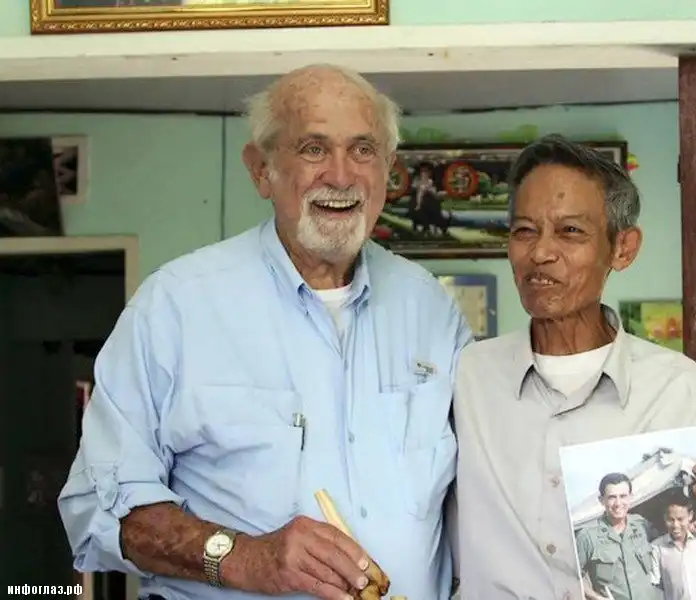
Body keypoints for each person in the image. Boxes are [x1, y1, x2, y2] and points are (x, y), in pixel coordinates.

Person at [58, 64, 471, 600]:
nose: (341, 175)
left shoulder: (431, 307)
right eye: (314, 149)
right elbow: (98, 510)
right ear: (261, 170)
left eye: (362, 150)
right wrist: (244, 556)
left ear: (388, 170)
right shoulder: (176, 305)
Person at [452, 134, 696, 600]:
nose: (540, 253)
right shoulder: (467, 378)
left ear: (623, 248)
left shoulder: (681, 391)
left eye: (570, 232)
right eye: (524, 231)